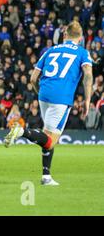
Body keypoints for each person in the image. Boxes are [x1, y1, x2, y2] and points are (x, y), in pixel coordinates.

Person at [5, 21, 93, 186]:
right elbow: (88, 75)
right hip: (62, 97)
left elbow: (32, 78)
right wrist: (87, 100)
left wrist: (41, 94)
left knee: (46, 136)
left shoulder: (50, 50)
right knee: (51, 140)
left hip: (44, 94)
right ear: (80, 38)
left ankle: (46, 176)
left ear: (65, 35)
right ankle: (21, 131)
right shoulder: (83, 53)